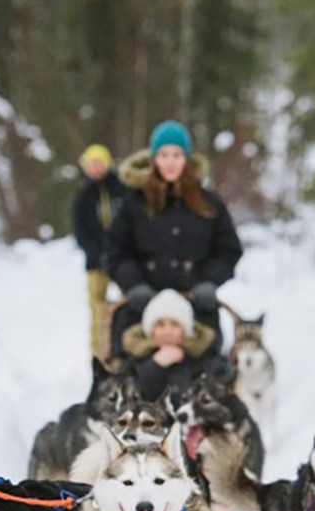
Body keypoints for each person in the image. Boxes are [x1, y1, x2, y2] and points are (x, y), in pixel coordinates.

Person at [104, 120, 243, 356]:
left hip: (197, 306)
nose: (170, 162)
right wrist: (133, 284)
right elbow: (115, 251)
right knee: (131, 367)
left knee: (210, 368)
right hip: (142, 308)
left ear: (187, 159)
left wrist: (209, 282)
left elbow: (228, 250)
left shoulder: (209, 204)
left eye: (177, 155)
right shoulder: (133, 204)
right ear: (154, 159)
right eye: (164, 155)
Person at [71, 143, 128, 359]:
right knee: (98, 310)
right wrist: (96, 254)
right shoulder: (83, 198)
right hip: (96, 263)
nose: (96, 168)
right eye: (91, 164)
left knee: (128, 304)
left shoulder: (123, 191)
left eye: (99, 163)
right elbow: (81, 232)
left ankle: (128, 351)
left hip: (123, 259)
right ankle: (100, 357)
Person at [121, 289, 228, 400]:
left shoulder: (203, 359)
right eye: (160, 325)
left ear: (185, 331)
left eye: (175, 324)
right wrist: (155, 365)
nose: (167, 331)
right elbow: (133, 394)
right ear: (150, 331)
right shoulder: (133, 361)